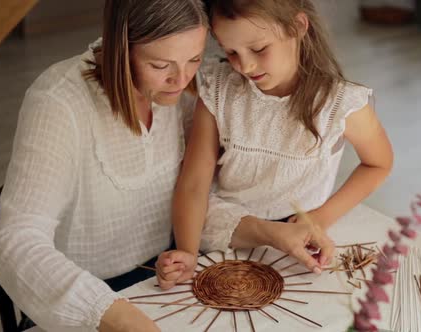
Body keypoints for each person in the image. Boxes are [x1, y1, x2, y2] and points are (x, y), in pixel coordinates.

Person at [0, 0, 208, 331]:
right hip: (86, 299)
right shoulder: (58, 102)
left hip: (166, 280)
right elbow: (16, 243)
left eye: (194, 58)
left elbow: (204, 184)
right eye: (160, 64)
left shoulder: (182, 92)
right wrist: (113, 314)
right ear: (122, 48)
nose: (181, 79)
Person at [156, 0, 393, 290]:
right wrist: (188, 254)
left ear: (298, 26)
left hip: (299, 238)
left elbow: (379, 163)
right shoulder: (219, 89)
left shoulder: (341, 104)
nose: (245, 65)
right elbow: (194, 184)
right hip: (225, 229)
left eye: (258, 49)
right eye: (230, 52)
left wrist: (318, 218)